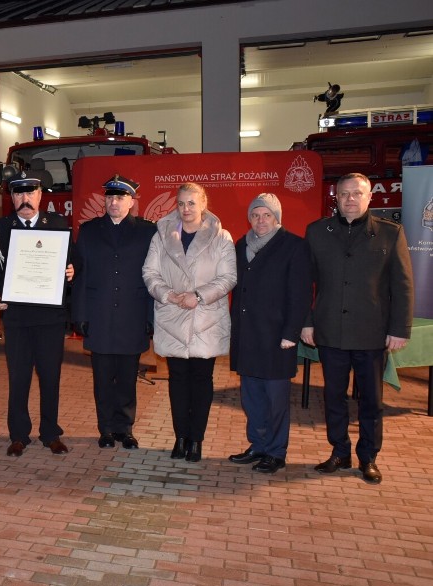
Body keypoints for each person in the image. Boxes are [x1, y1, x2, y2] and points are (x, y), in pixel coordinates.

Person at [302, 173, 413, 484]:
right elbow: (305, 284)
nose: (350, 199)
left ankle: (368, 457)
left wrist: (399, 328)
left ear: (369, 198)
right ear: (335, 198)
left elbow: (402, 286)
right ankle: (339, 451)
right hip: (330, 331)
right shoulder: (317, 232)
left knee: (372, 401)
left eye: (357, 193)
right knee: (333, 396)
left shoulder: (391, 234)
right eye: (344, 194)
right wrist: (307, 321)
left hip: (371, 332)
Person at [142, 181, 236, 463]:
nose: (186, 209)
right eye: (181, 203)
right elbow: (150, 272)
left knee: (202, 380)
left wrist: (199, 296)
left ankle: (197, 439)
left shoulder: (221, 237)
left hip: (205, 318)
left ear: (204, 203)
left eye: (191, 203)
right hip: (173, 316)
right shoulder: (162, 234)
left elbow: (228, 277)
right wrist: (168, 294)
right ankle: (180, 437)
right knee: (177, 381)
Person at [0, 171, 74, 457]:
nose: (25, 199)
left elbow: (70, 263)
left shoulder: (59, 224)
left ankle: (51, 433)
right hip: (18, 318)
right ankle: (18, 435)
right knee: (19, 378)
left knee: (50, 377)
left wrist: (72, 271)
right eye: (19, 194)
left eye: (30, 193)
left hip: (50, 317)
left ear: (40, 196)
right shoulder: (0, 228)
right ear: (12, 198)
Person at [72, 174, 157, 450]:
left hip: (132, 317)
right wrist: (80, 315)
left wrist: (150, 317)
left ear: (131, 201)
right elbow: (81, 277)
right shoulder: (89, 231)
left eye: (120, 197)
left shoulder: (147, 232)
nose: (114, 202)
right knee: (103, 380)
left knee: (127, 380)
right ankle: (106, 428)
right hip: (99, 317)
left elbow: (151, 277)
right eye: (110, 197)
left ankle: (126, 428)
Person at [229, 193, 311, 474]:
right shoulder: (242, 245)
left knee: (275, 400)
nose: (260, 220)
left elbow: (300, 294)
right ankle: (258, 446)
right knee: (251, 397)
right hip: (248, 335)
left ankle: (276, 452)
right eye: (255, 215)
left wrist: (291, 332)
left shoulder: (294, 246)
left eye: (267, 215)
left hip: (277, 337)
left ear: (277, 218)